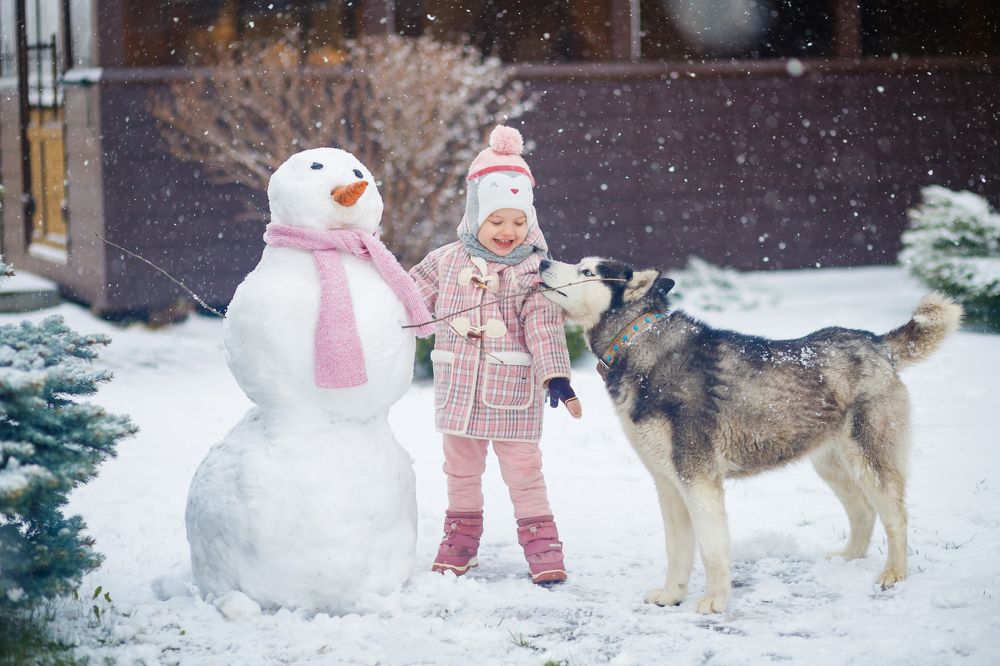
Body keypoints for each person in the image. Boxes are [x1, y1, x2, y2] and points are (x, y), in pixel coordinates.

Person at [409, 125, 582, 584]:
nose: (508, 231)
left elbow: (544, 327)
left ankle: (542, 541)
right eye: (497, 220)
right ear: (474, 215)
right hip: (459, 391)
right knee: (460, 470)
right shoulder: (445, 262)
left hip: (512, 393)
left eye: (518, 221)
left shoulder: (533, 272)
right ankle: (461, 538)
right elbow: (406, 301)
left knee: (524, 471)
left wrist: (556, 377)